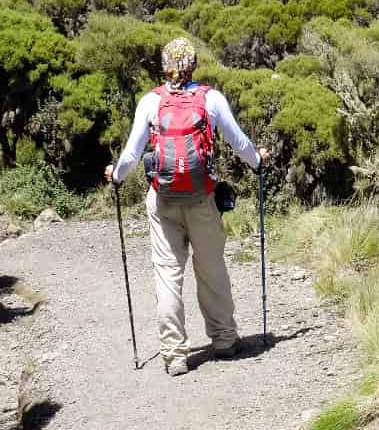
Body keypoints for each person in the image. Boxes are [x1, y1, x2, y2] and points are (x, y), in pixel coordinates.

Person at [105, 38, 268, 376]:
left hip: (162, 199)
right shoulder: (211, 98)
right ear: (194, 64)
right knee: (211, 269)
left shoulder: (150, 101)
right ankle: (224, 339)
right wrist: (257, 162)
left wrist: (116, 176)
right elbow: (239, 142)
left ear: (163, 66)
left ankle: (175, 354)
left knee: (167, 274)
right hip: (202, 198)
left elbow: (132, 155)